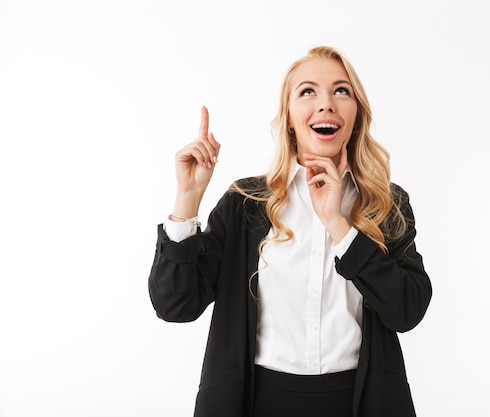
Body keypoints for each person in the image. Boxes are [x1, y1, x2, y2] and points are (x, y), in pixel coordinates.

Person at [148, 46, 432, 417]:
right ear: (289, 119)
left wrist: (339, 225)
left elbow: (407, 311)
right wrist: (187, 198)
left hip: (359, 403)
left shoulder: (387, 204)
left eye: (341, 91)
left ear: (356, 114)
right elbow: (175, 304)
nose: (326, 104)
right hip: (256, 402)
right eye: (308, 91)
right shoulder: (244, 203)